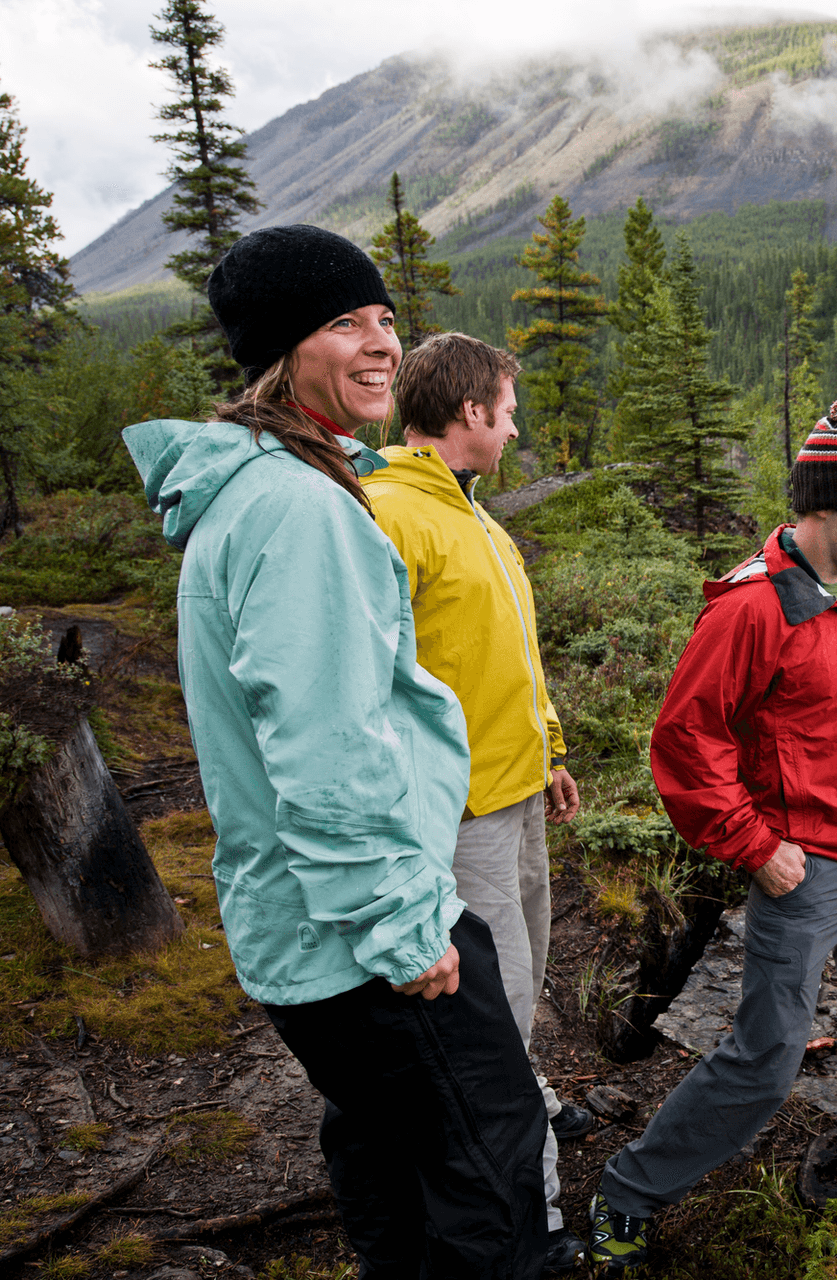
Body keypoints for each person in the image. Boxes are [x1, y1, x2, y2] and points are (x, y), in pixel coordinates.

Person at [121, 225, 549, 1280]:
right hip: (367, 928)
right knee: (493, 1168)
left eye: (385, 319)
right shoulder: (299, 509)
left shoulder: (268, 489)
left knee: (384, 1152)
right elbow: (325, 745)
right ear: (282, 349)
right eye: (342, 322)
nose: (380, 344)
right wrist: (407, 926)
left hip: (307, 924)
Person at [587, 397, 837, 1270]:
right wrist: (755, 848)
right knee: (766, 1056)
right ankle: (627, 1192)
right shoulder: (752, 610)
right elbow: (684, 740)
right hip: (806, 870)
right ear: (822, 507)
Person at [362, 332, 590, 1275]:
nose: (515, 424)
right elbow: (369, 685)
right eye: (508, 407)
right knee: (492, 1010)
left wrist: (553, 749)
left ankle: (528, 1101)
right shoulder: (387, 515)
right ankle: (522, 1210)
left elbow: (506, 655)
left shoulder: (478, 520)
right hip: (459, 815)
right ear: (470, 415)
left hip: (519, 787)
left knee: (522, 983)